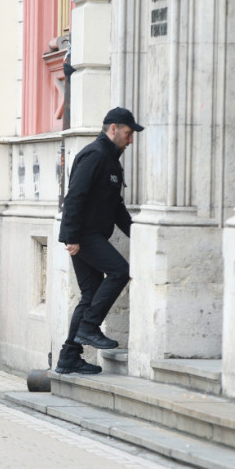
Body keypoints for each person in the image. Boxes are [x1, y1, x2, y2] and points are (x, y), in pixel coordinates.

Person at [55, 107, 142, 375]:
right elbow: (74, 197)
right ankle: (90, 327)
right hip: (83, 235)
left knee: (90, 295)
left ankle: (68, 357)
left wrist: (138, 236)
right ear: (113, 129)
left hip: (89, 235)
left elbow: (116, 208)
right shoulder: (95, 155)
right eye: (128, 134)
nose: (130, 140)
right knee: (119, 271)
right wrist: (71, 236)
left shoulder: (111, 159)